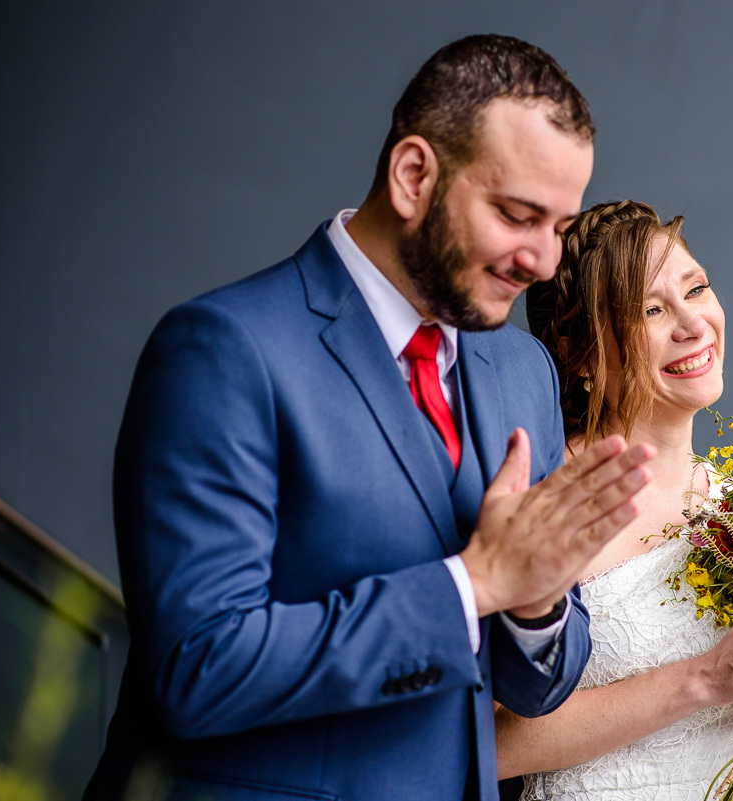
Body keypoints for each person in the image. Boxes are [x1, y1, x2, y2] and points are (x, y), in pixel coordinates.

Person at [84, 36, 657, 801]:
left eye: (559, 226)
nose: (545, 263)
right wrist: (475, 582)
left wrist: (535, 599)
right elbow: (198, 667)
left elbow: (536, 687)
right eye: (519, 216)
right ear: (415, 174)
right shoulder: (224, 350)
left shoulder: (525, 372)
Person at [501, 200, 733, 800]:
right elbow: (485, 742)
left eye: (696, 289)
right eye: (650, 309)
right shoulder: (546, 495)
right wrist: (707, 678)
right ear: (579, 355)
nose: (692, 325)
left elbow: (732, 729)